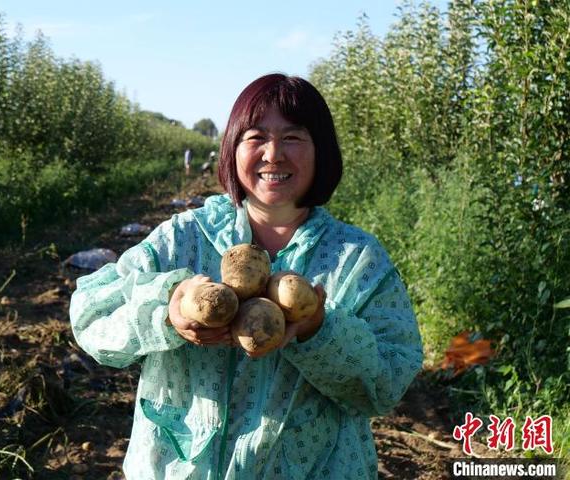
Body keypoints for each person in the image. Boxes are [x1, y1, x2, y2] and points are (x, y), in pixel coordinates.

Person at [69, 73, 423, 479]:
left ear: (321, 150)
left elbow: (389, 381)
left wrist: (319, 329)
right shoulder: (183, 238)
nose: (273, 155)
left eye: (293, 138)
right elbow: (91, 314)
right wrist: (169, 306)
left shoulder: (357, 260)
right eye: (255, 137)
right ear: (232, 150)